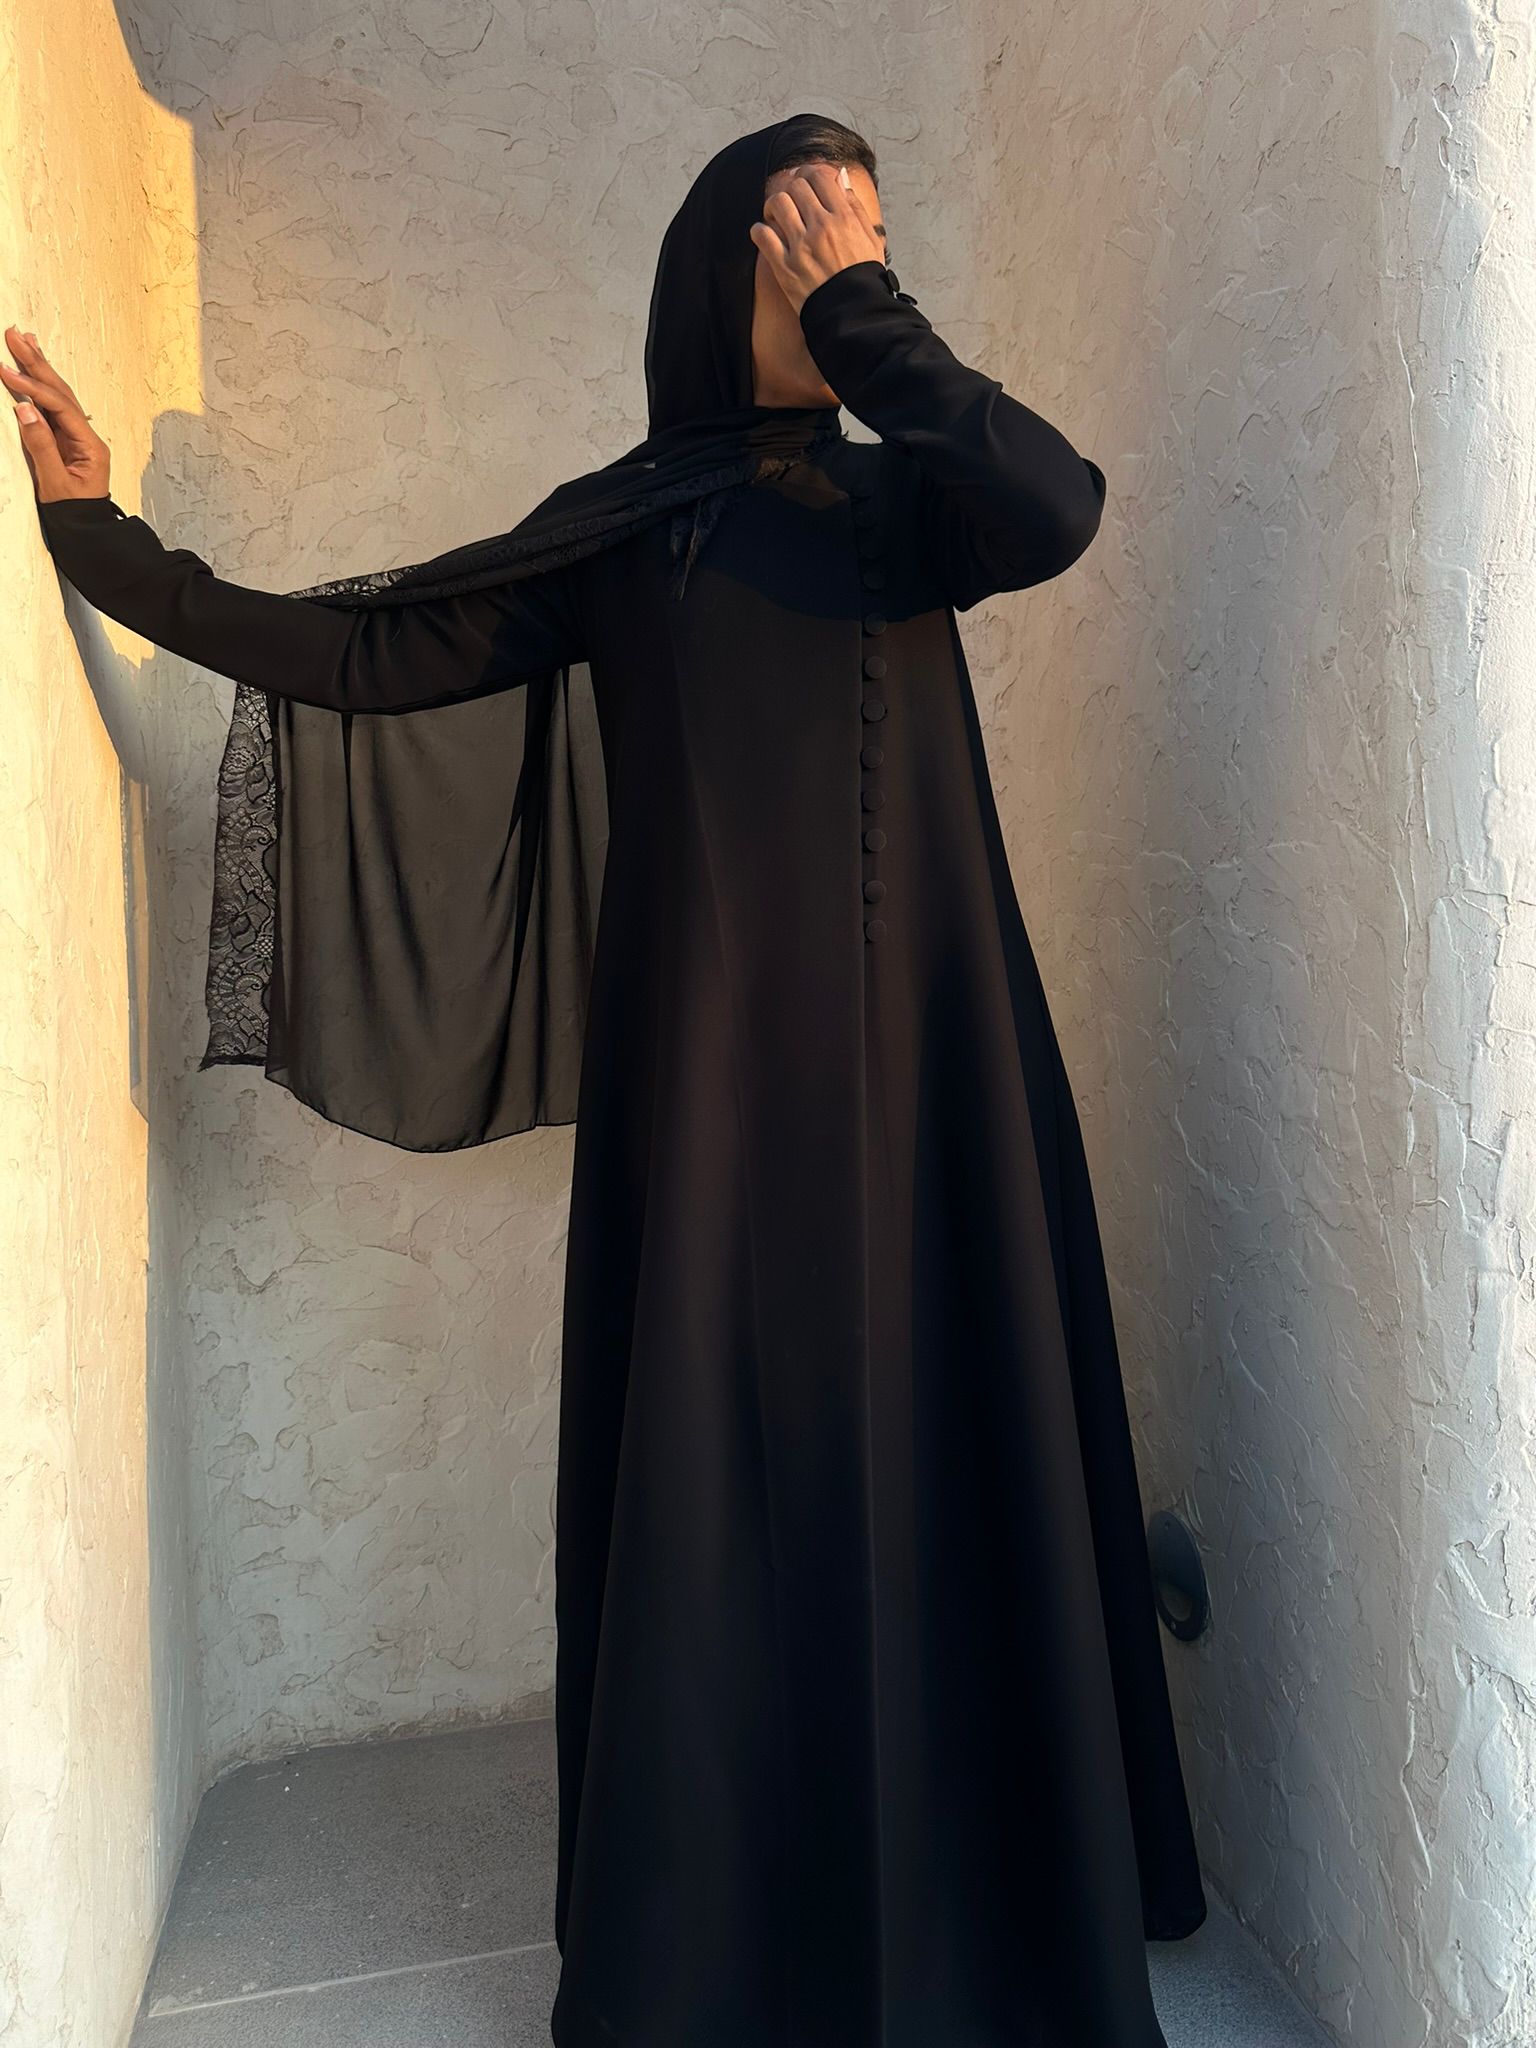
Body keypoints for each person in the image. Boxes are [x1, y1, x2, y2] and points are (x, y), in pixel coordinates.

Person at [8, 112, 1207, 2048]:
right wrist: (99, 539)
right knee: (726, 1465)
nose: (849, 250)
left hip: (932, 1060)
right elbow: (359, 657)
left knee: (942, 1417)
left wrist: (870, 316)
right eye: (809, 224)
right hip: (708, 1076)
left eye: (869, 228)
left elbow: (1056, 505)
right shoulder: (634, 526)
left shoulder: (907, 497)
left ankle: (982, 1877)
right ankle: (727, 1917)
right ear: (721, 266)